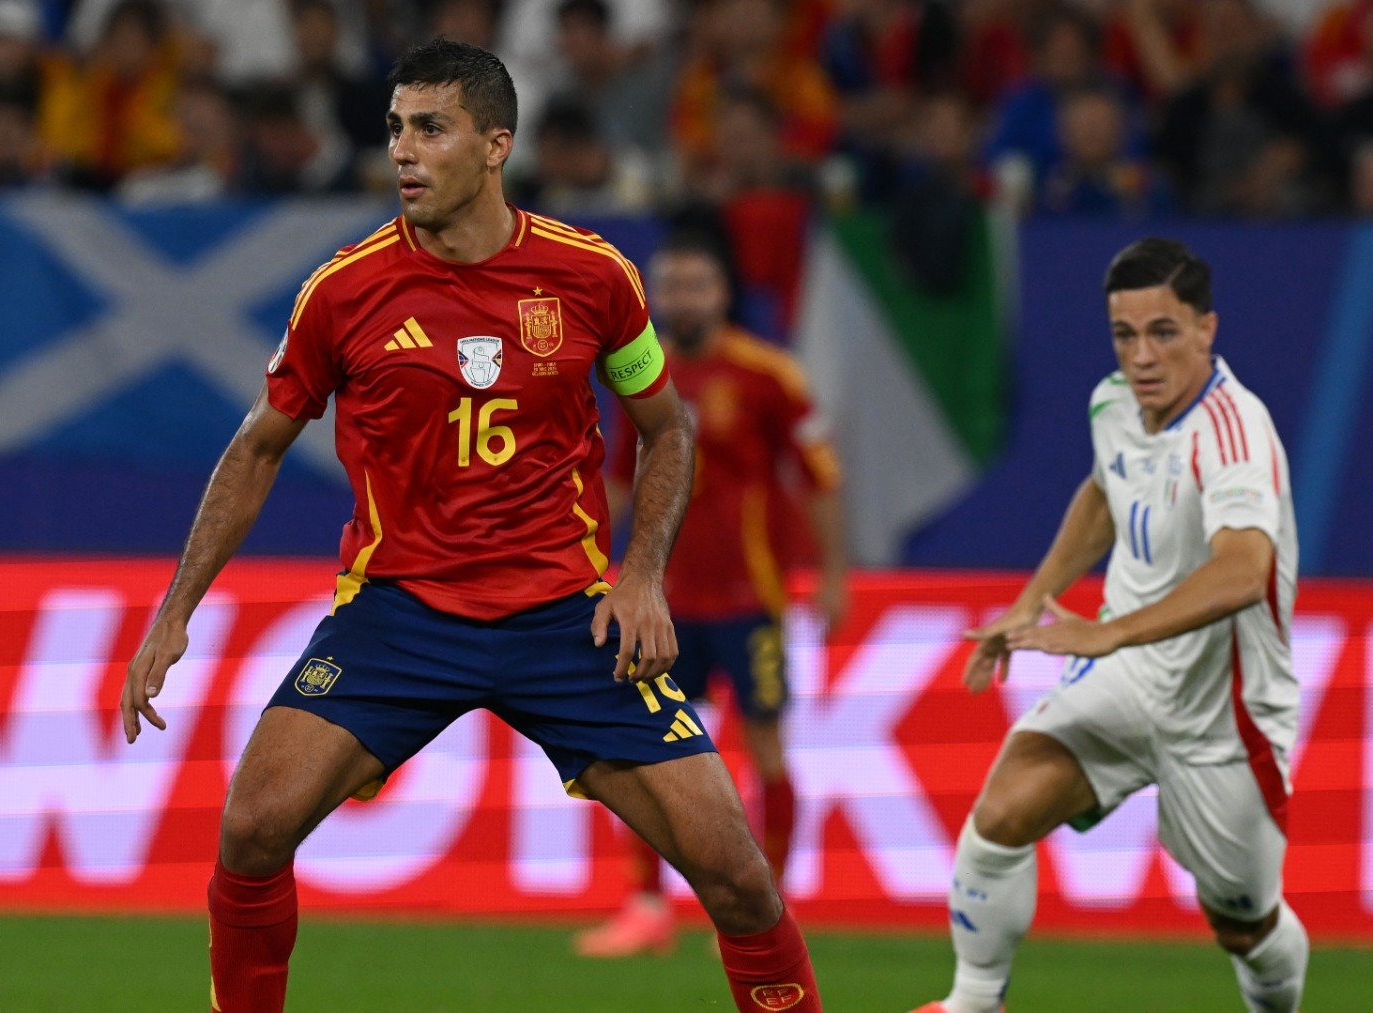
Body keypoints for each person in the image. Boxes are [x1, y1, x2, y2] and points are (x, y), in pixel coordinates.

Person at [119, 37, 822, 1013]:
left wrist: (640, 573)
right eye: (397, 128)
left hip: (564, 616)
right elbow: (258, 445)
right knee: (252, 827)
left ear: (495, 145)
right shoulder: (345, 288)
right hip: (400, 611)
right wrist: (176, 606)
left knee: (738, 875)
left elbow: (667, 430)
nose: (404, 150)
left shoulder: (593, 276)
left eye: (431, 128)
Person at [913, 237, 1306, 1013]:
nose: (1141, 355)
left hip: (1220, 712)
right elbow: (1105, 492)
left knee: (1243, 923)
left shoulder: (1234, 432)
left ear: (1207, 329)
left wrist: (1107, 632)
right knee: (1000, 815)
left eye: (1163, 331)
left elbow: (1243, 569)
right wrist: (1035, 598)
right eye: (1125, 334)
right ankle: (973, 1001)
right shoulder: (1112, 402)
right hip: (1126, 677)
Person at [575, 235, 847, 959]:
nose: (683, 298)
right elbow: (620, 482)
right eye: (671, 285)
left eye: (697, 284)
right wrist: (589, 564)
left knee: (764, 746)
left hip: (749, 598)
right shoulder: (634, 372)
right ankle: (647, 905)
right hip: (659, 600)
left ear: (722, 293)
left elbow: (819, 474)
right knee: (641, 747)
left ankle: (773, 901)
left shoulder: (768, 374)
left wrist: (833, 573)